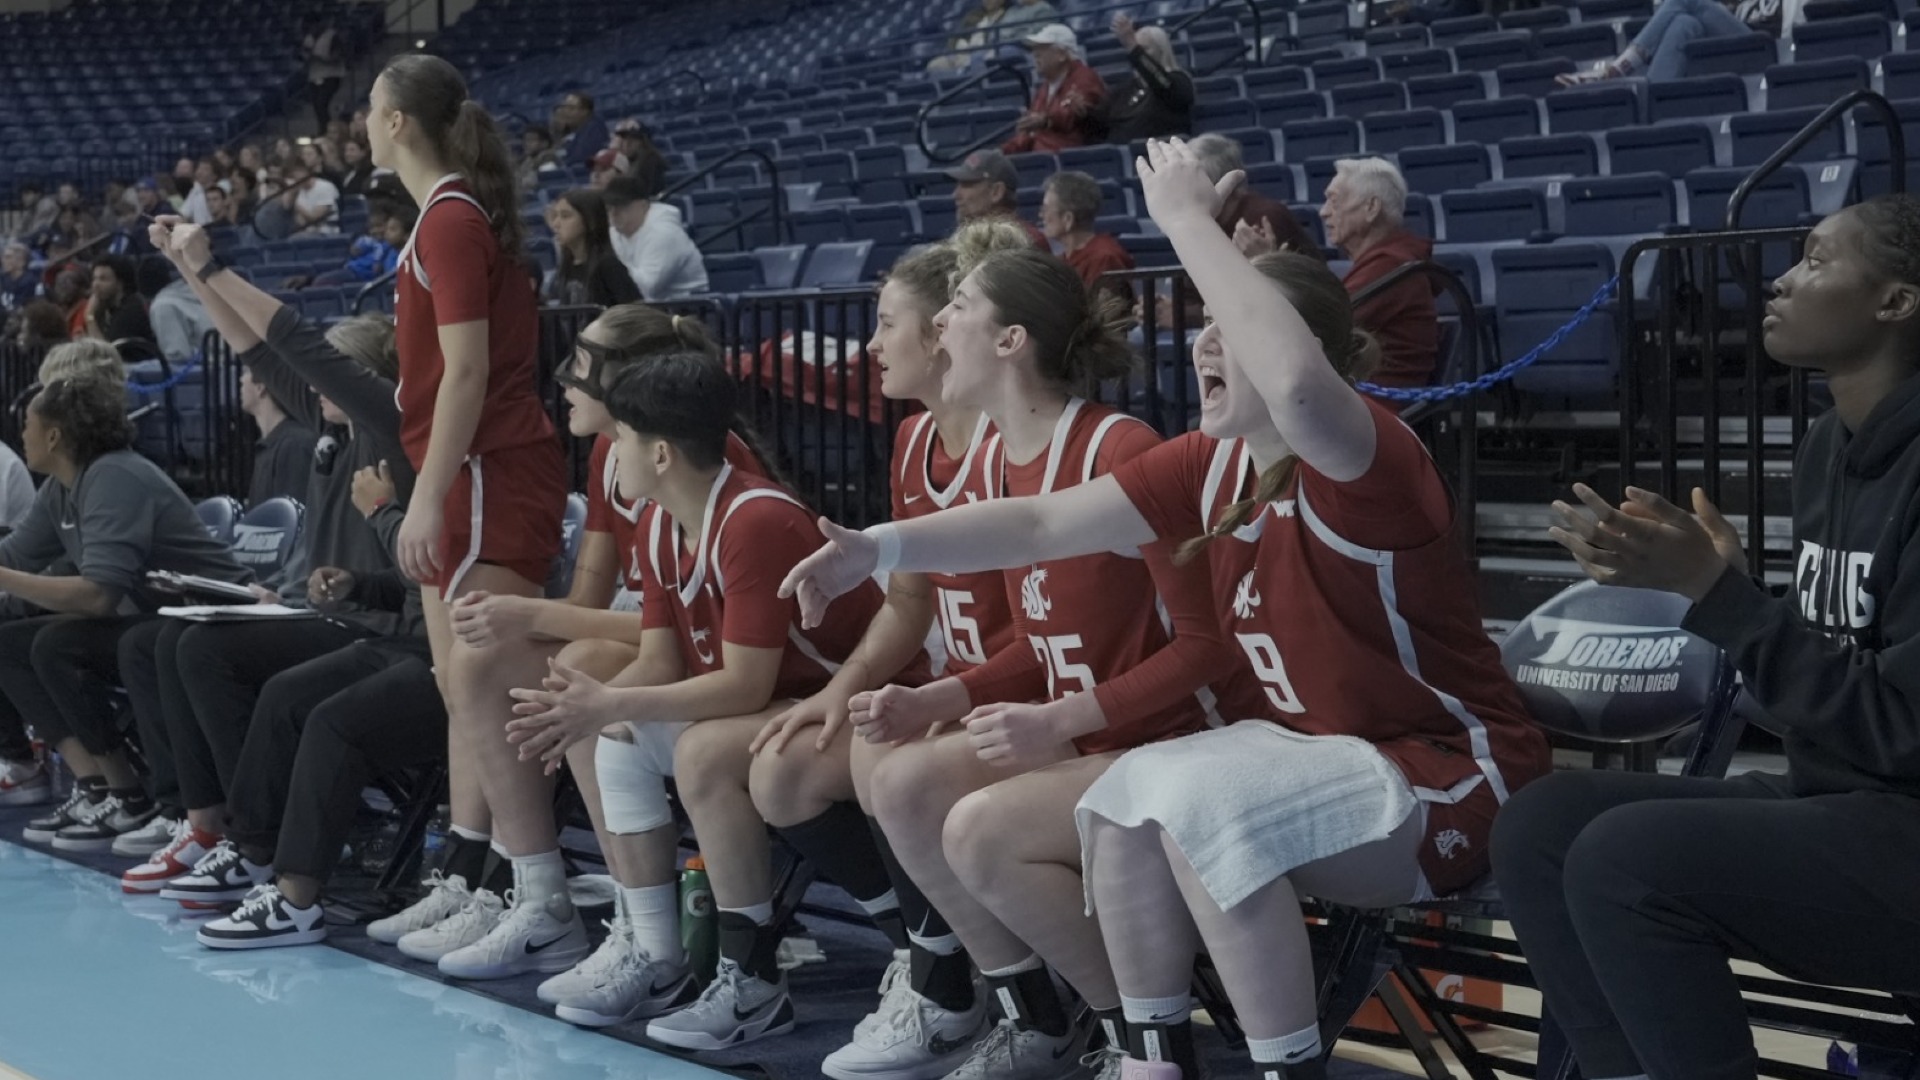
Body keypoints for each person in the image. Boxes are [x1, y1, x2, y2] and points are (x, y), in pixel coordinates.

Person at [779, 138, 1552, 1080]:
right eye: (1204, 326)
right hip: (1302, 759)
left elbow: (1296, 385)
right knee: (1124, 804)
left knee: (1195, 807)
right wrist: (879, 546)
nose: (1204, 342)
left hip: (1448, 773)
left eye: (1230, 326)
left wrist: (1186, 219)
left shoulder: (1367, 462)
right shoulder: (1206, 462)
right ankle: (1148, 1060)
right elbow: (1037, 523)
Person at [1493, 195, 1920, 1080]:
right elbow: (1830, 678)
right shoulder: (1826, 447)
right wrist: (1735, 592)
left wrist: (1719, 598)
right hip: (1841, 798)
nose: (1781, 280)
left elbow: (1900, 728)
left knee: (1626, 859)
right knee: (1543, 824)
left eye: (1815, 260)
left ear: (1895, 302)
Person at [499, 352, 925, 1046]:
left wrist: (608, 704)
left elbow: (746, 684)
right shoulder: (662, 521)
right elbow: (660, 660)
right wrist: (582, 709)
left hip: (865, 699)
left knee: (695, 752)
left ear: (660, 452)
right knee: (618, 739)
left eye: (622, 439)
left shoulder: (755, 520)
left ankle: (754, 980)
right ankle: (654, 953)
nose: (611, 455)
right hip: (788, 701)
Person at [366, 52, 577, 976]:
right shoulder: (441, 217)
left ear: (398, 122)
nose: (363, 125)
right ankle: (470, 872)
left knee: (483, 676)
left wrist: (424, 495)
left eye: (370, 109)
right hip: (461, 468)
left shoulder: (450, 219)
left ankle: (534, 894)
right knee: (461, 684)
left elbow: (468, 373)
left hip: (489, 469)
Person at [0, 377, 253, 843]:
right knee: (10, 644)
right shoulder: (61, 488)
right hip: (159, 618)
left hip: (217, 618)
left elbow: (98, 595)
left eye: (27, 425)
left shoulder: (114, 476)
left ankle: (148, 797)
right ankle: (100, 787)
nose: (21, 435)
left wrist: (5, 579)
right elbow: (14, 555)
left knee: (62, 644)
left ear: (53, 435)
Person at [1318, 158, 1439, 389]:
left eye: (1334, 201)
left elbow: (1321, 325)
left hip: (1379, 401)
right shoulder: (1388, 260)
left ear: (1372, 208)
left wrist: (1268, 270)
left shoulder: (1391, 265)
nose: (1324, 212)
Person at [1560, 0, 1805, 84]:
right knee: (1684, 24)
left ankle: (1617, 69)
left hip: (1766, 50)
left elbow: (1796, 32)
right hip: (1729, 51)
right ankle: (1653, 102)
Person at [1001, 24, 1108, 156]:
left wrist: (1045, 121)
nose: (1035, 54)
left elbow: (1072, 116)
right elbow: (1029, 135)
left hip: (1071, 159)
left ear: (1062, 55)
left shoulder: (1085, 78)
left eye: (1042, 48)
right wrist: (1002, 152)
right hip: (1041, 159)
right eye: (1035, 50)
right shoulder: (1044, 89)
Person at [604, 176, 707, 301]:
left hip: (689, 305)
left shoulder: (664, 233)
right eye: (610, 208)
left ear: (643, 205)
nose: (614, 213)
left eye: (622, 206)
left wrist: (610, 267)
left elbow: (648, 288)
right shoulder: (613, 232)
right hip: (650, 307)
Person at [1041, 170, 1135, 300]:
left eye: (1046, 209)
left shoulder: (1104, 259)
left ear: (1068, 219)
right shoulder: (1062, 260)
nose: (1041, 216)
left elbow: (1107, 311)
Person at [1102, 15, 1193, 143]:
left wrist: (1132, 46)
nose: (1138, 54)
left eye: (1144, 49)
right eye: (1137, 49)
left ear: (1161, 50)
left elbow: (1161, 82)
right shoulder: (1127, 88)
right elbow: (1102, 121)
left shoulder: (1179, 81)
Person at [240, 361, 319, 508]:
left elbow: (294, 514)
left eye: (246, 371)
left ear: (260, 387)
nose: (241, 379)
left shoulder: (295, 445)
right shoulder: (272, 444)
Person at [546, 188, 641, 308]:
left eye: (565, 216)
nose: (556, 224)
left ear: (590, 221)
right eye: (555, 216)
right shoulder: (564, 268)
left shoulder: (608, 266)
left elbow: (635, 311)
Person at [947, 151, 1050, 249]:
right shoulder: (960, 241)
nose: (955, 194)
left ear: (996, 192)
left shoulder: (1028, 241)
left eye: (966, 185)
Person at [82, 255, 154, 345]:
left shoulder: (130, 311)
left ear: (120, 283)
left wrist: (90, 317)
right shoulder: (108, 308)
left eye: (103, 279)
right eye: (94, 279)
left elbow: (106, 351)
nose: (95, 285)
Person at [302, 16, 345, 130]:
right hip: (314, 76)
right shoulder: (309, 38)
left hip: (331, 75)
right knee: (317, 106)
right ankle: (323, 128)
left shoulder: (332, 36)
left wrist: (320, 58)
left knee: (322, 103)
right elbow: (304, 55)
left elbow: (338, 56)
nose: (313, 28)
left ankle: (327, 129)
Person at [556, 90, 612, 171]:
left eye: (571, 108)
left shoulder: (595, 129)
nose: (565, 112)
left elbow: (580, 158)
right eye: (564, 108)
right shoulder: (578, 130)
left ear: (585, 111)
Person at [612, 120, 667, 196]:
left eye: (633, 139)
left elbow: (642, 193)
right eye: (624, 138)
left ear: (643, 141)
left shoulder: (650, 161)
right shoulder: (616, 159)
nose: (627, 143)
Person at [1, 241, 39, 316]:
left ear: (21, 262)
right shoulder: (2, 277)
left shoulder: (30, 282)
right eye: (3, 257)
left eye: (8, 257)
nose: (3, 261)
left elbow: (20, 310)